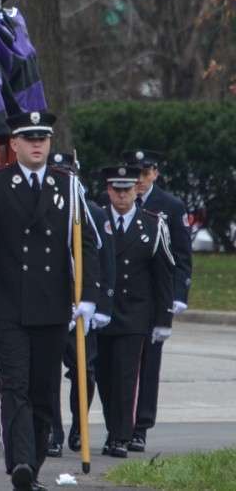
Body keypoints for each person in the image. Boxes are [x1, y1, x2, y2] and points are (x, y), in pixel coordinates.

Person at [0, 111, 100, 491]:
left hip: (52, 305)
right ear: (14, 144)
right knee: (15, 385)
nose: (38, 144)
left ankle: (35, 464)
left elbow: (87, 245)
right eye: (29, 138)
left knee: (44, 392)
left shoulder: (68, 186)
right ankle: (21, 462)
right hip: (7, 304)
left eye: (43, 137)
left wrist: (88, 297)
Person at [94, 164, 174, 458]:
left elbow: (165, 274)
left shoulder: (153, 224)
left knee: (126, 376)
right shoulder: (97, 220)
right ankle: (113, 427)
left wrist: (163, 318)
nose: (122, 196)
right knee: (104, 377)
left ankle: (120, 437)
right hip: (103, 312)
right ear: (108, 190)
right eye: (116, 189)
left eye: (127, 189)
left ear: (135, 191)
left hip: (135, 314)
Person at [45, 152, 115, 457]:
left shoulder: (94, 212)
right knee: (46, 371)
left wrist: (100, 305)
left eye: (68, 172)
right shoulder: (42, 206)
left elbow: (105, 260)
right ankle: (52, 431)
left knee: (84, 371)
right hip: (48, 303)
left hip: (81, 306)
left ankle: (78, 427)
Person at [122, 149, 192, 452]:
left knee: (148, 365)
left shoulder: (171, 206)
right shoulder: (114, 199)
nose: (139, 179)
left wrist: (177, 296)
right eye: (134, 172)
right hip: (123, 296)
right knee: (115, 366)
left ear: (155, 174)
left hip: (155, 297)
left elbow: (181, 256)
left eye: (145, 172)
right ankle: (119, 424)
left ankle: (141, 426)